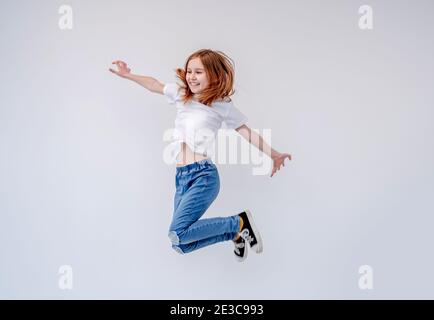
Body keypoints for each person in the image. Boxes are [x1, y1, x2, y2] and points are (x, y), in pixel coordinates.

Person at [109, 49, 291, 262]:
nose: (191, 77)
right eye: (189, 71)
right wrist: (128, 75)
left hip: (203, 176)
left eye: (198, 72)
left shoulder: (221, 105)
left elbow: (246, 132)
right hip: (181, 177)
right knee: (180, 244)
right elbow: (154, 84)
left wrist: (274, 154)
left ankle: (239, 222)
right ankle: (232, 233)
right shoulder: (181, 95)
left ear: (213, 75)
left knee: (178, 232)